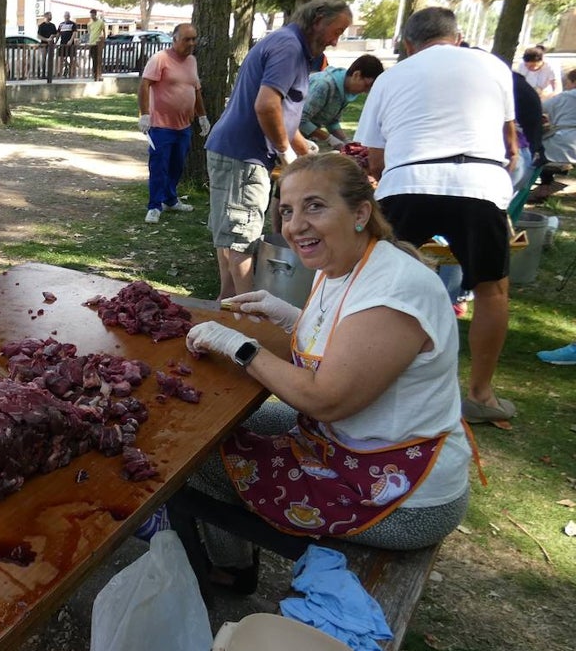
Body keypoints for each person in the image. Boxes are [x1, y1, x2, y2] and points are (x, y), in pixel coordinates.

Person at [175, 152, 470, 590]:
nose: (295, 225)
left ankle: (232, 570)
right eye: (288, 210)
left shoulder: (395, 290)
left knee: (191, 456)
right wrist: (291, 317)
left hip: (402, 492)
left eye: (315, 206)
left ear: (360, 213)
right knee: (204, 426)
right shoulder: (341, 266)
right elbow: (349, 344)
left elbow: (325, 399)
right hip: (344, 443)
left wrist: (239, 346)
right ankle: (237, 551)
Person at [355, 6, 517, 424]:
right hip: (480, 183)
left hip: (409, 182)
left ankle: (365, 376)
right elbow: (510, 140)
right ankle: (480, 393)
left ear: (409, 44)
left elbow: (375, 158)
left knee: (376, 280)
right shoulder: (492, 65)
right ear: (457, 37)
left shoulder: (391, 76)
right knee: (491, 290)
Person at [204, 0, 353, 299]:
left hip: (231, 150)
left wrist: (303, 147)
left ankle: (226, 302)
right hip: (244, 156)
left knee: (228, 237)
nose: (335, 42)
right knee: (241, 240)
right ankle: (246, 314)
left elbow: (283, 114)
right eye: (336, 32)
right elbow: (266, 106)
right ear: (318, 19)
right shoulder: (289, 48)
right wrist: (285, 151)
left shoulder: (287, 43)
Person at [138, 23, 209, 222]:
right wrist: (145, 114)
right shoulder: (160, 59)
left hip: (183, 125)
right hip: (161, 125)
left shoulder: (192, 61)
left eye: (194, 39)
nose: (192, 43)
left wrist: (202, 116)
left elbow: (196, 90)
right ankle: (154, 205)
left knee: (177, 165)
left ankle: (170, 199)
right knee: (159, 165)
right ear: (175, 39)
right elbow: (144, 85)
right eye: (187, 39)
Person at [298, 54, 384, 147]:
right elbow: (301, 120)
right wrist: (329, 138)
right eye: (367, 85)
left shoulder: (344, 90)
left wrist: (345, 141)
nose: (366, 91)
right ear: (356, 75)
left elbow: (331, 121)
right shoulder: (324, 84)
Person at [56, 11, 78, 77]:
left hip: (70, 44)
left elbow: (74, 33)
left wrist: (71, 40)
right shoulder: (61, 24)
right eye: (65, 15)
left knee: (72, 59)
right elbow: (58, 34)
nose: (66, 16)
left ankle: (72, 73)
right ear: (64, 16)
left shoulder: (73, 24)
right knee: (60, 58)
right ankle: (59, 73)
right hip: (62, 44)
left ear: (69, 16)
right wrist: (55, 42)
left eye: (68, 15)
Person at [87, 8, 106, 80]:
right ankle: (94, 72)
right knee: (93, 58)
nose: (91, 16)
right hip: (91, 43)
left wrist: (103, 41)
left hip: (98, 43)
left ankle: (98, 74)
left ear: (95, 14)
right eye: (91, 15)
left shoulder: (100, 22)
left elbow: (104, 32)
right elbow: (90, 33)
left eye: (93, 15)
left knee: (97, 59)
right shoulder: (89, 24)